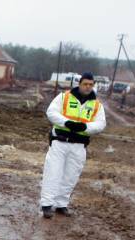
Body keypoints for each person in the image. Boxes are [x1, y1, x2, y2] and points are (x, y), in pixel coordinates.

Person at [39, 72, 106, 218]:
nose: (88, 87)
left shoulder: (96, 105)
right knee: (53, 173)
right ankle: (46, 205)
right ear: (79, 84)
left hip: (79, 146)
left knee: (71, 176)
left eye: (91, 84)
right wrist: (66, 122)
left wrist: (85, 128)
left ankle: (61, 204)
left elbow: (101, 124)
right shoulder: (64, 97)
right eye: (85, 84)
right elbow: (51, 112)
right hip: (60, 142)